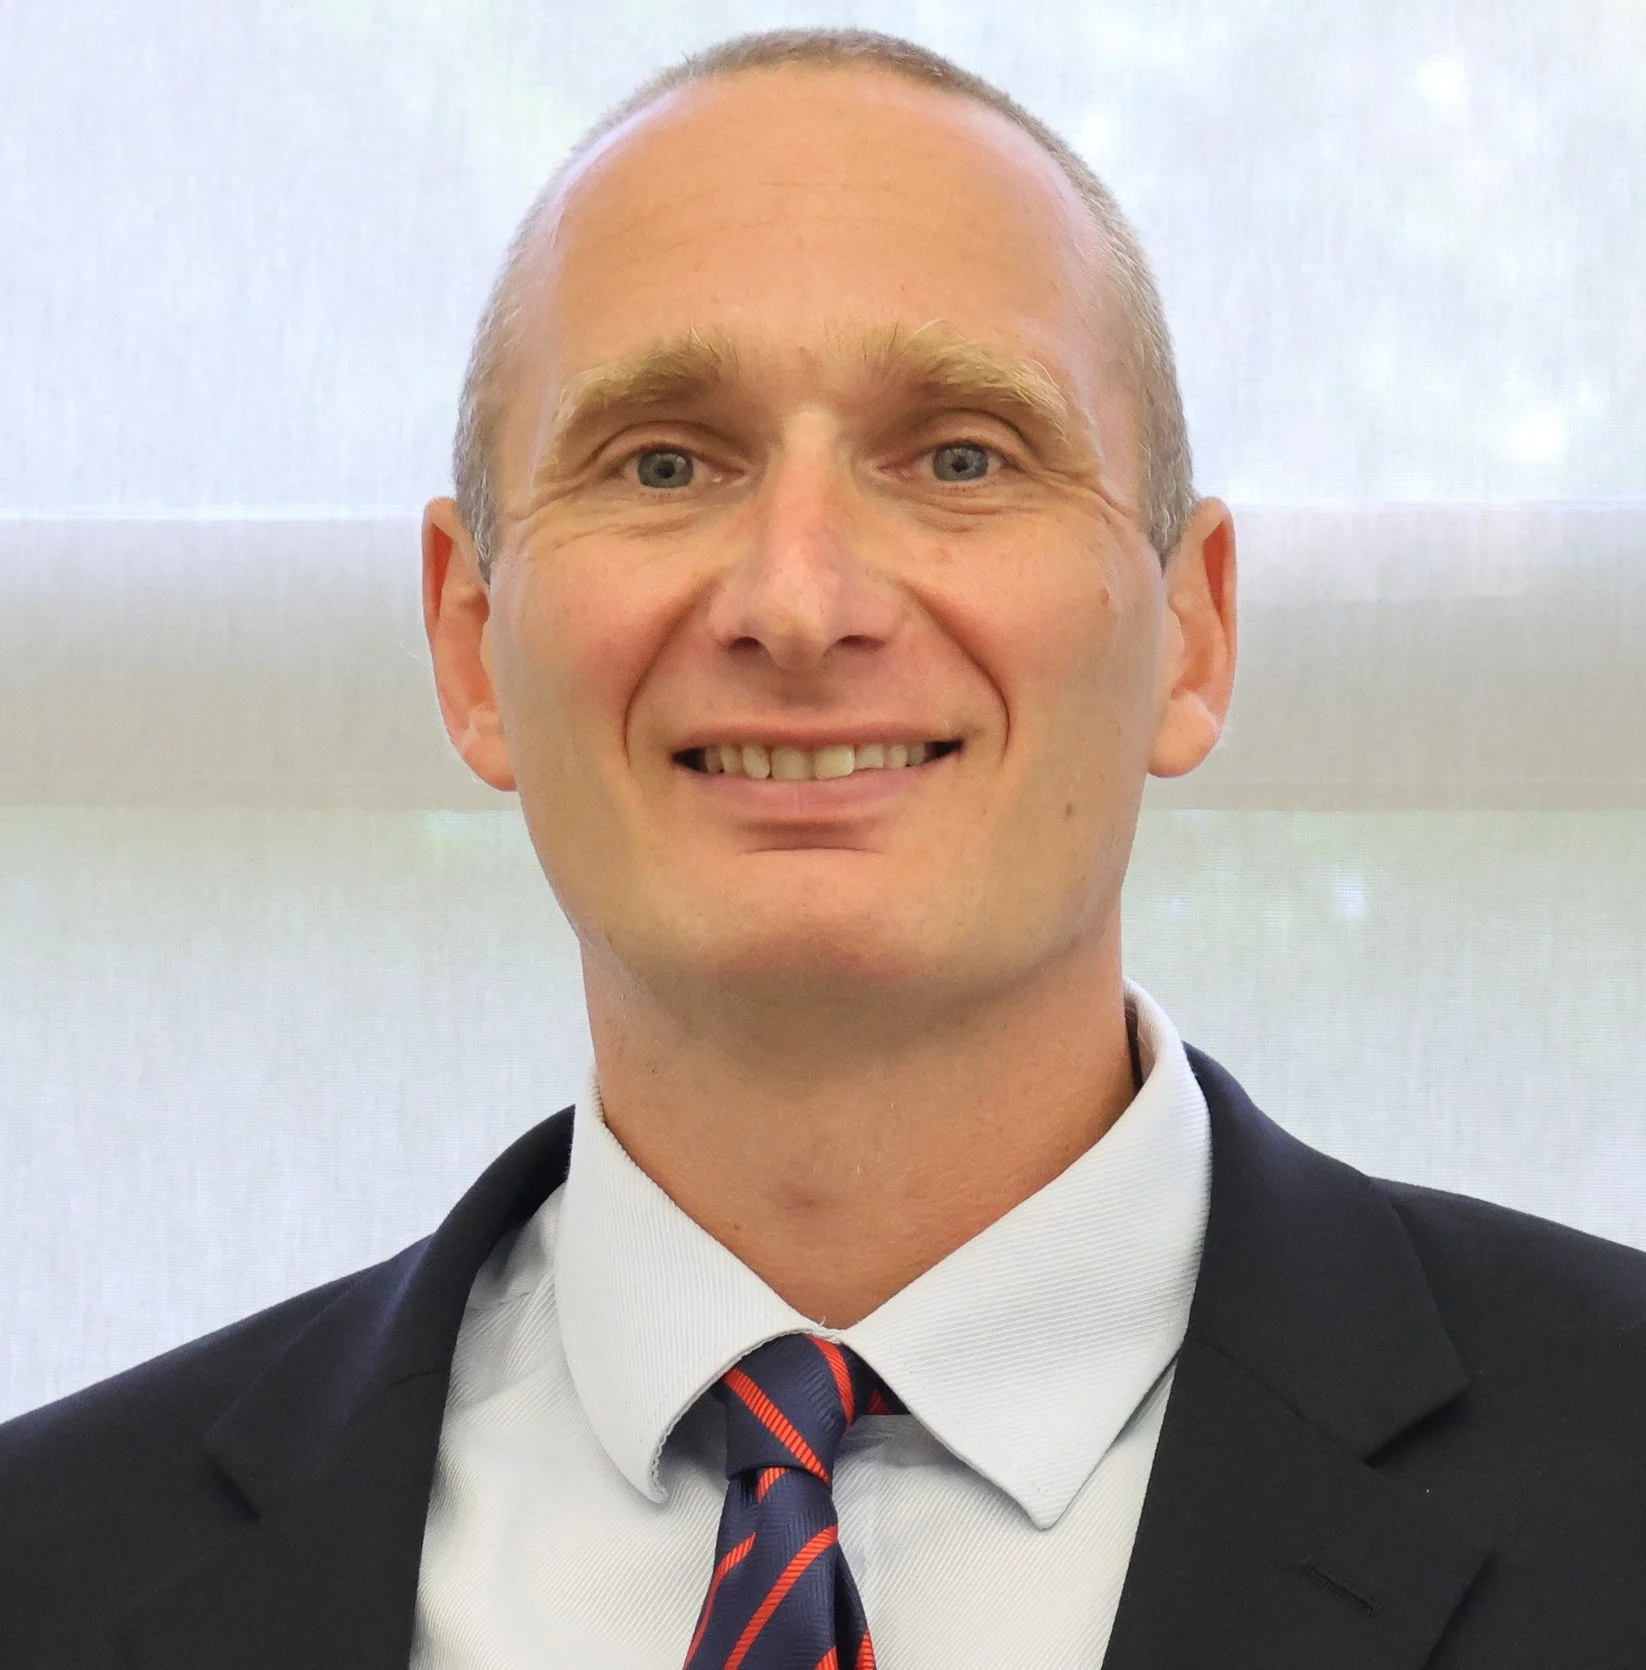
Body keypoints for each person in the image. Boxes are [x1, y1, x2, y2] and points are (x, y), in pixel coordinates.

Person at [2, 26, 1643, 1670]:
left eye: (959, 457)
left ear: (1192, 634)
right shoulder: (53, 1568)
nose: (798, 602)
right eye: (663, 461)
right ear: (467, 639)